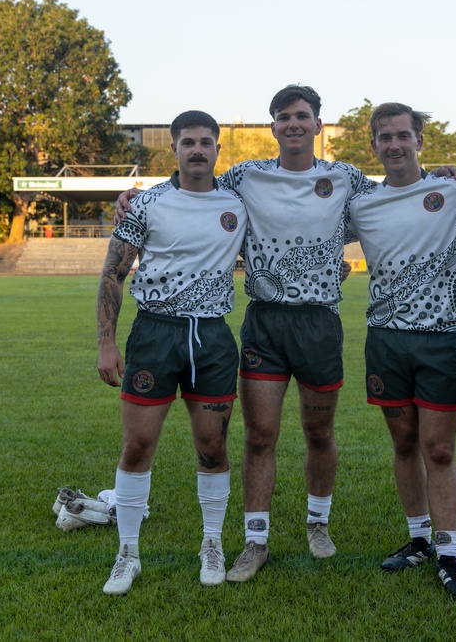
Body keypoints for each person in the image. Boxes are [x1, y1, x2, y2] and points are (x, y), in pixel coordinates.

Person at [116, 85, 378, 583]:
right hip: (265, 320)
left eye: (302, 116)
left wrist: (443, 175)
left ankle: (317, 524)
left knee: (319, 432)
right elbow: (190, 186)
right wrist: (131, 197)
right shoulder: (244, 176)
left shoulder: (345, 178)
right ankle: (255, 541)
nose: (293, 124)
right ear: (273, 126)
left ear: (318, 125)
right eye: (283, 117)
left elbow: (396, 197)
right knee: (260, 435)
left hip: (320, 322)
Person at [343, 103, 456, 597]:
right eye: (384, 137)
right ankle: (418, 539)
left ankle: (449, 553)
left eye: (403, 136)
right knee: (405, 443)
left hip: (442, 339)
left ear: (420, 141)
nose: (394, 145)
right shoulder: (360, 202)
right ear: (374, 145)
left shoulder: (454, 188)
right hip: (385, 340)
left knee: (440, 447)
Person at [96, 110, 248, 594]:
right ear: (175, 149)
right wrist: (105, 342)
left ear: (218, 150)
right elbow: (112, 273)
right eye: (189, 142)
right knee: (138, 445)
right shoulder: (148, 204)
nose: (198, 149)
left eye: (206, 142)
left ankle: (211, 543)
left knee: (213, 446)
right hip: (154, 335)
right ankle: (127, 553)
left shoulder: (238, 202)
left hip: (212, 338)